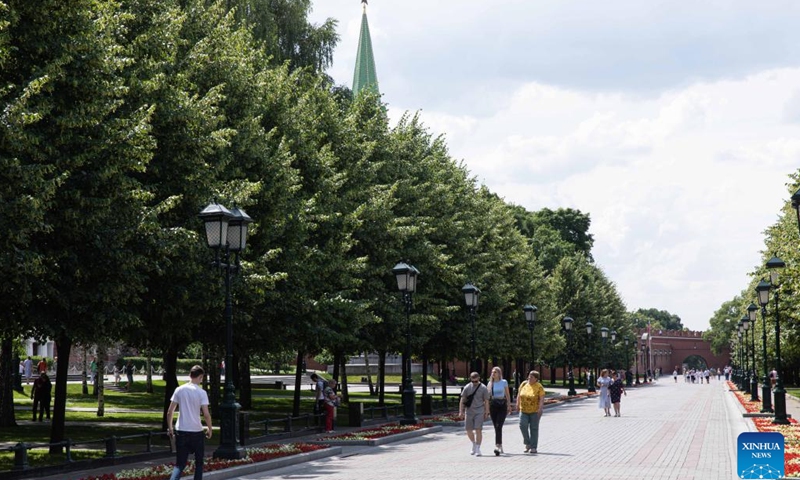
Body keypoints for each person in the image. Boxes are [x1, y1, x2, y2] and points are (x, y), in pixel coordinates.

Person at [166, 365, 213, 480]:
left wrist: (170, 428)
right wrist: (210, 428)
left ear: (190, 375)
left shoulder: (179, 390)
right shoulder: (201, 392)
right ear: (200, 377)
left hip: (181, 430)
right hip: (196, 431)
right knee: (199, 463)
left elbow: (170, 412)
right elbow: (206, 414)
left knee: (180, 464)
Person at [459, 371, 490, 456]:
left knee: (478, 429)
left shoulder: (483, 388)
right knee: (468, 430)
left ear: (479, 379)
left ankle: (478, 448)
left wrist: (487, 411)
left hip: (479, 410)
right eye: (473, 381)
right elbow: (462, 400)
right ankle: (473, 443)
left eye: (476, 381)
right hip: (469, 411)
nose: (474, 383)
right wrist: (461, 411)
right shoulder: (467, 387)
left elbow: (486, 401)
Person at [516, 370, 545, 454]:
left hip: (534, 411)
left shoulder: (539, 386)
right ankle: (527, 443)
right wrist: (517, 404)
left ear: (536, 379)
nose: (529, 378)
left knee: (534, 429)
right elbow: (519, 394)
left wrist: (540, 408)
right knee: (522, 425)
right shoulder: (524, 384)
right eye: (529, 376)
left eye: (531, 377)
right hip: (523, 410)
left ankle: (533, 447)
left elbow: (542, 398)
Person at [486, 366, 512, 456]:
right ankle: (500, 444)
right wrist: (486, 409)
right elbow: (487, 397)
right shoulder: (490, 383)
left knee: (498, 425)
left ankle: (497, 446)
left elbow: (508, 395)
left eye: (495, 372)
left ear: (499, 373)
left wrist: (509, 405)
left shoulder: (504, 382)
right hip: (493, 405)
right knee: (496, 426)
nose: (493, 373)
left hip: (502, 405)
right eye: (492, 372)